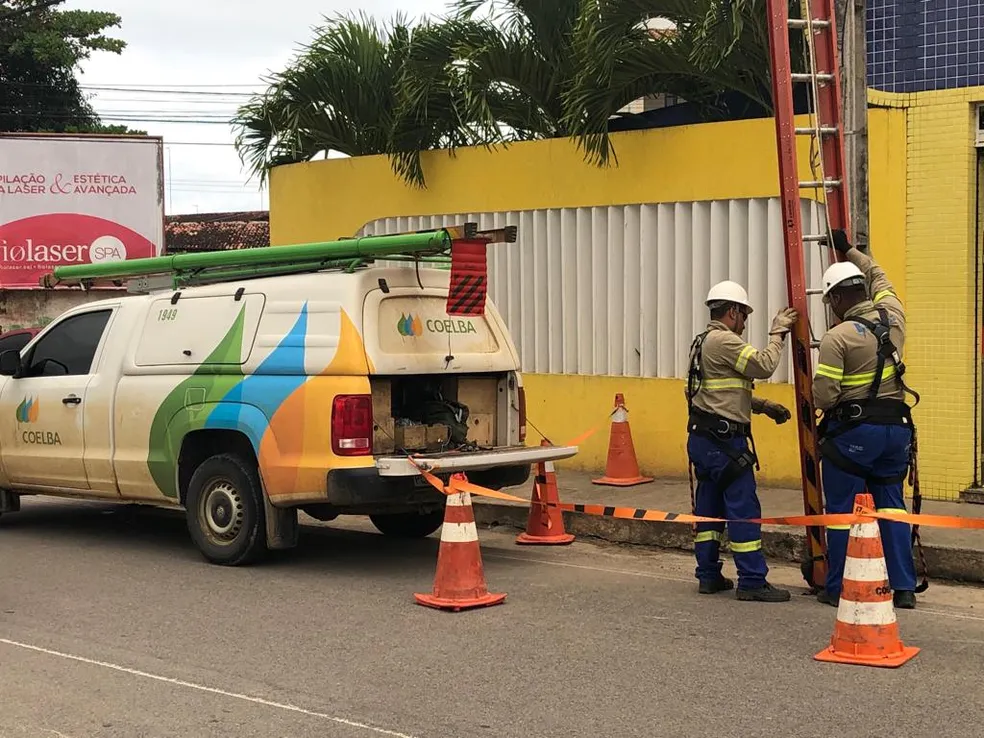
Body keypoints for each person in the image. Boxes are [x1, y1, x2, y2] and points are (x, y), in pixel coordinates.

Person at [813, 229, 919, 609]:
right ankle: (904, 587)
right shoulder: (895, 315)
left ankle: (839, 586)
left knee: (843, 511)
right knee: (891, 507)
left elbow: (823, 396)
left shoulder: (837, 338)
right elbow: (879, 275)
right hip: (896, 433)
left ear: (838, 298)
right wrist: (850, 251)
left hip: (854, 436)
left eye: (830, 301)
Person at [685, 281, 798, 602]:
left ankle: (708, 575)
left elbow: (717, 393)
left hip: (703, 440)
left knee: (709, 512)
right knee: (743, 509)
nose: (745, 323)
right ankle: (751, 580)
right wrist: (778, 333)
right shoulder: (725, 340)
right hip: (726, 444)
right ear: (732, 312)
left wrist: (763, 407)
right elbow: (763, 364)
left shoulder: (701, 342)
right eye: (744, 315)